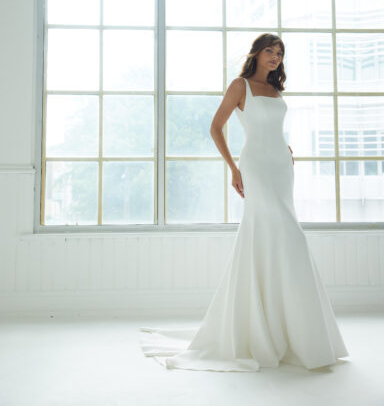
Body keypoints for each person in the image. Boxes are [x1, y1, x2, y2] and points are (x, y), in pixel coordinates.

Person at [139, 33, 349, 372]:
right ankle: (267, 330)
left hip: (281, 168)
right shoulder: (241, 86)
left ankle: (290, 332)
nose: (275, 57)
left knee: (281, 239)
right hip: (256, 168)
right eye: (270, 51)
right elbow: (215, 127)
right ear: (256, 53)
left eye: (280, 52)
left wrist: (284, 148)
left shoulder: (276, 89)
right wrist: (234, 168)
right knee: (286, 237)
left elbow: (272, 129)